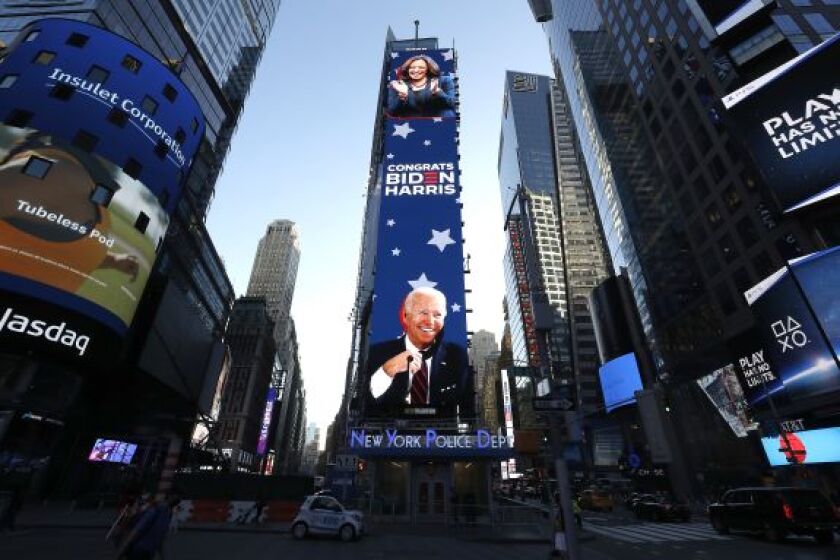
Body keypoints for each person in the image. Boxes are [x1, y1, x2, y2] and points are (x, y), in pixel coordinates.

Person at [365, 287, 472, 415]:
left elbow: (465, 405)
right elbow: (368, 399)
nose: (430, 322)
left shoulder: (457, 356)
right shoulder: (377, 352)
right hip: (391, 431)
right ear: (405, 316)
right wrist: (387, 370)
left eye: (437, 315)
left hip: (440, 432)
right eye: (423, 313)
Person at [386, 55, 456, 118]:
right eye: (412, 67)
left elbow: (453, 104)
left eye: (421, 67)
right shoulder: (398, 85)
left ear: (428, 69)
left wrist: (438, 92)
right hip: (413, 126)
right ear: (407, 69)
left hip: (440, 127)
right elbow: (391, 111)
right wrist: (402, 96)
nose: (416, 70)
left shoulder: (444, 81)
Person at [117, 491, 180, 560]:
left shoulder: (167, 514)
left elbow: (160, 539)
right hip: (138, 550)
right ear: (170, 496)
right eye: (177, 495)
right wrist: (122, 551)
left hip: (147, 553)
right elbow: (137, 531)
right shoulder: (156, 510)